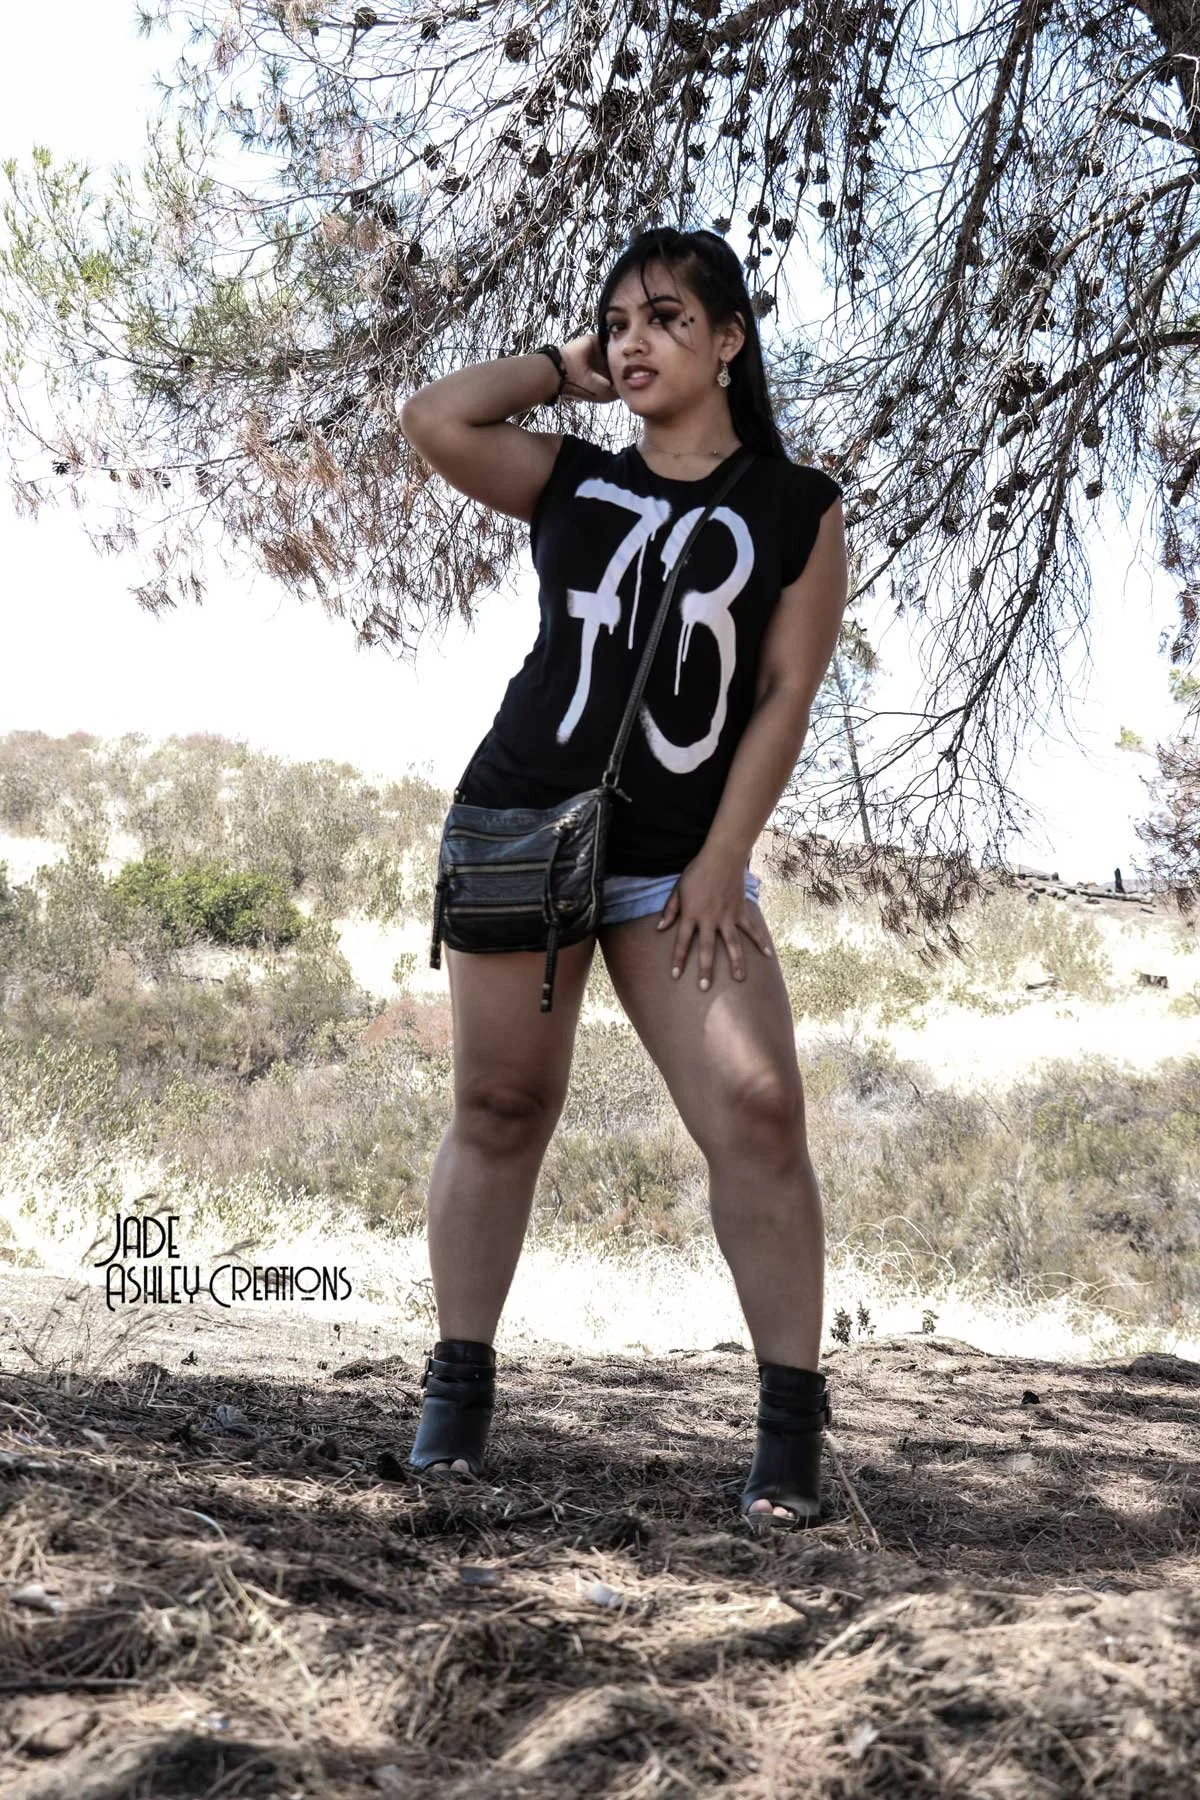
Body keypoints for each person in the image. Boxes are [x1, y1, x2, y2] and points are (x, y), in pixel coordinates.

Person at [397, 226, 849, 1527]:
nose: (637, 338)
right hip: (522, 825)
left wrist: (724, 859)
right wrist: (567, 365)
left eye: (665, 317)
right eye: (619, 321)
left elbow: (784, 694)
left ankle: (787, 1436)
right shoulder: (574, 486)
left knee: (758, 1113)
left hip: (676, 864)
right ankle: (458, 1396)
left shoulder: (794, 509)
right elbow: (433, 416)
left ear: (730, 341)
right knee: (498, 1111)